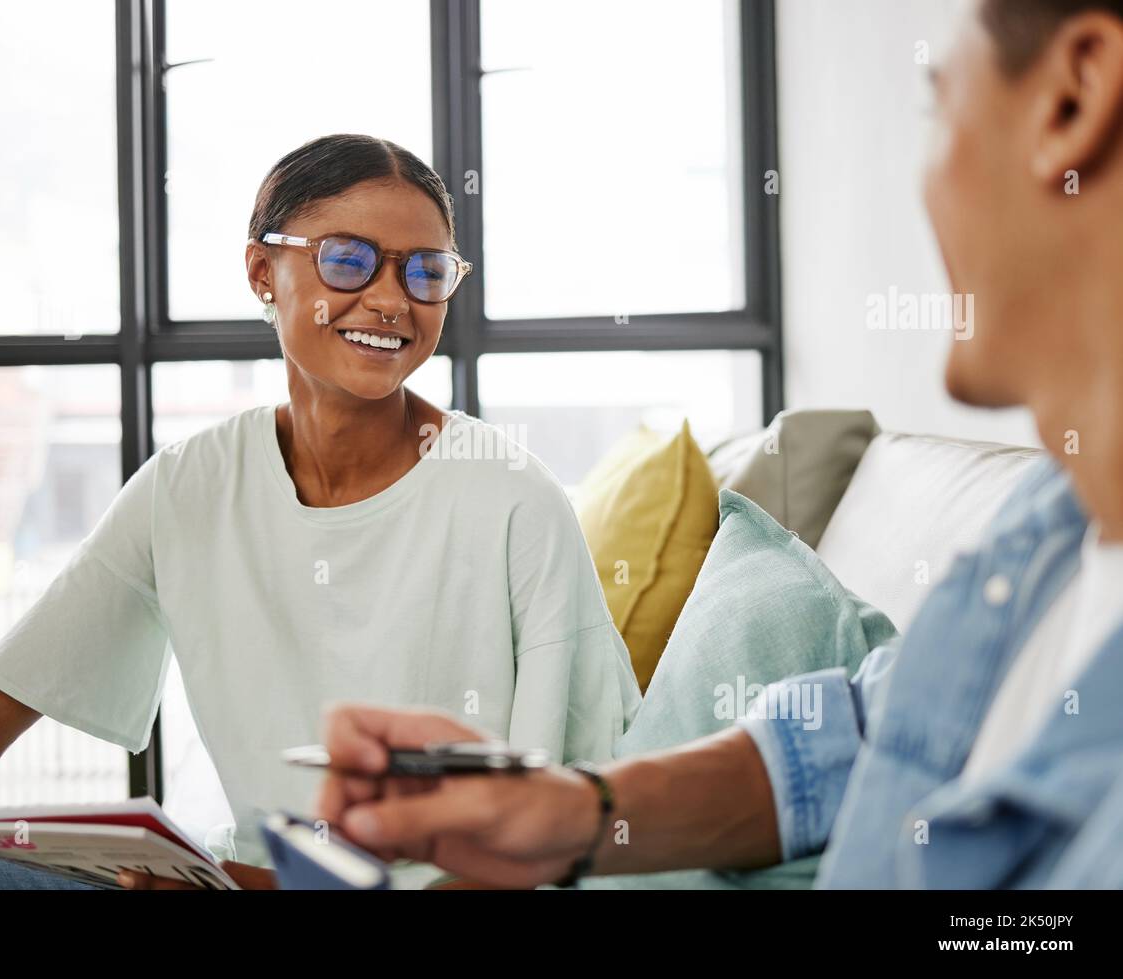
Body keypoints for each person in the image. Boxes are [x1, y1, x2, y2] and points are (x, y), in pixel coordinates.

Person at [312, 0, 1123, 889]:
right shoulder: (1049, 537)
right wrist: (570, 813)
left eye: (940, 105)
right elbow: (852, 743)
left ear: (1074, 101)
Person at [0, 134, 641, 890]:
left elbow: (567, 838)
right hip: (236, 878)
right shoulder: (187, 488)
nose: (393, 299)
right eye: (349, 261)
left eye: (425, 271)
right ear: (261, 273)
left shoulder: (512, 498)